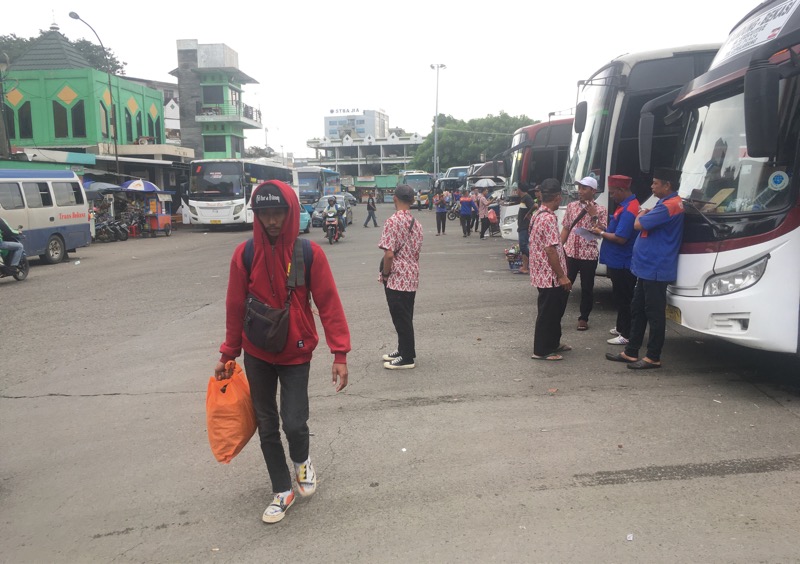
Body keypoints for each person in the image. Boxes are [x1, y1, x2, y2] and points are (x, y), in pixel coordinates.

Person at [214, 180, 351, 524]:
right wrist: (228, 352)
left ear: (290, 212)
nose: (272, 220)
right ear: (257, 216)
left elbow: (329, 303)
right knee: (266, 424)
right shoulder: (244, 255)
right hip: (257, 351)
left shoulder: (309, 253)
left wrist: (340, 354)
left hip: (296, 351)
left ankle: (302, 461)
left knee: (293, 421)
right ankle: (281, 489)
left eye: (278, 212)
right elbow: (233, 306)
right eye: (265, 214)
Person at [606, 168, 685, 370]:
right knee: (638, 308)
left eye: (655, 183)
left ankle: (653, 356)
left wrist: (641, 213)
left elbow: (638, 225)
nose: (652, 186)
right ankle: (631, 351)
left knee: (654, 313)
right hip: (647, 267)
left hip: (656, 267)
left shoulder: (670, 206)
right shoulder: (664, 204)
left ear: (667, 185)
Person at [590, 175, 640, 345]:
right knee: (620, 296)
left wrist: (601, 233)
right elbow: (616, 228)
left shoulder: (629, 209)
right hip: (617, 260)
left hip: (623, 261)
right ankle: (621, 327)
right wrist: (603, 228)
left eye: (612, 193)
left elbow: (621, 238)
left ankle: (626, 334)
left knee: (625, 297)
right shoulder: (625, 206)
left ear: (621, 190)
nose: (611, 196)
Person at [378, 184, 424, 369]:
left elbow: (389, 254)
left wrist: (386, 274)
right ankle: (403, 349)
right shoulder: (418, 224)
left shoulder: (392, 221)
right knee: (406, 315)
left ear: (395, 198)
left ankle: (407, 358)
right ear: (412, 201)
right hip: (412, 275)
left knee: (400, 317)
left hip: (397, 277)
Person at [529, 178, 572, 361]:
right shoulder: (547, 218)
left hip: (544, 273)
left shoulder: (538, 213)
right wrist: (561, 275)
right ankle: (541, 350)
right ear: (557, 197)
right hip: (549, 275)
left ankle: (553, 342)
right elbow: (550, 249)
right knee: (548, 312)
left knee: (555, 310)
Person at [560, 176, 607, 331]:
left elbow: (603, 230)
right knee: (565, 285)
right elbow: (566, 227)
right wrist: (560, 246)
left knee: (587, 287)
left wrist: (593, 215)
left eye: (584, 188)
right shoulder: (571, 206)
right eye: (579, 188)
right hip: (571, 252)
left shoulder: (601, 209)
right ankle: (557, 314)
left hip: (589, 254)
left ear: (593, 191)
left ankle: (583, 318)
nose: (580, 191)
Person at [516, 184, 538, 274]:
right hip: (521, 226)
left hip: (525, 226)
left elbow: (535, 206)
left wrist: (528, 214)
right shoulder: (523, 199)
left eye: (516, 189)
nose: (516, 191)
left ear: (519, 189)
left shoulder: (527, 197)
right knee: (523, 248)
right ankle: (525, 267)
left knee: (523, 246)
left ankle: (536, 260)